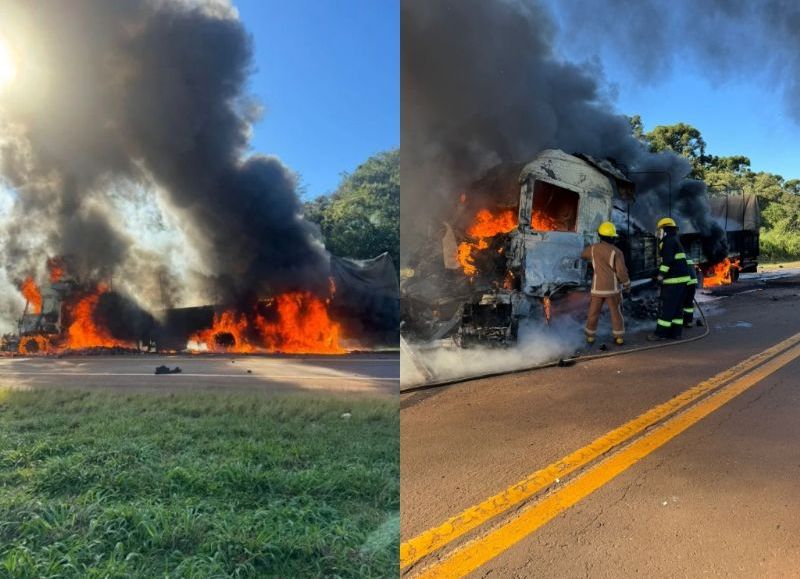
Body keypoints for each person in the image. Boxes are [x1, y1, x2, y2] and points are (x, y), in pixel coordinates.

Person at [581, 221, 631, 346]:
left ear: (600, 235)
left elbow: (582, 255)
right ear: (612, 237)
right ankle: (619, 337)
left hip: (597, 289)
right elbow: (621, 272)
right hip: (612, 289)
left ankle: (590, 337)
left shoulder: (593, 248)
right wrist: (626, 284)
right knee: (616, 312)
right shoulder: (617, 252)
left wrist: (594, 262)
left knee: (593, 313)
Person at [648, 217, 691, 341]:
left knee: (667, 308)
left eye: (660, 230)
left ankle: (660, 334)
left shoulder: (668, 242)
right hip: (682, 280)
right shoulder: (675, 241)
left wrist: (660, 276)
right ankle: (676, 333)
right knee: (677, 308)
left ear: (665, 231)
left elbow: (667, 262)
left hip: (674, 281)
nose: (659, 233)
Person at [683, 256, 699, 327]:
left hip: (685, 282)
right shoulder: (688, 257)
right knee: (689, 303)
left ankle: (680, 322)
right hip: (693, 281)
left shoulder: (677, 258)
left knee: (681, 302)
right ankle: (688, 322)